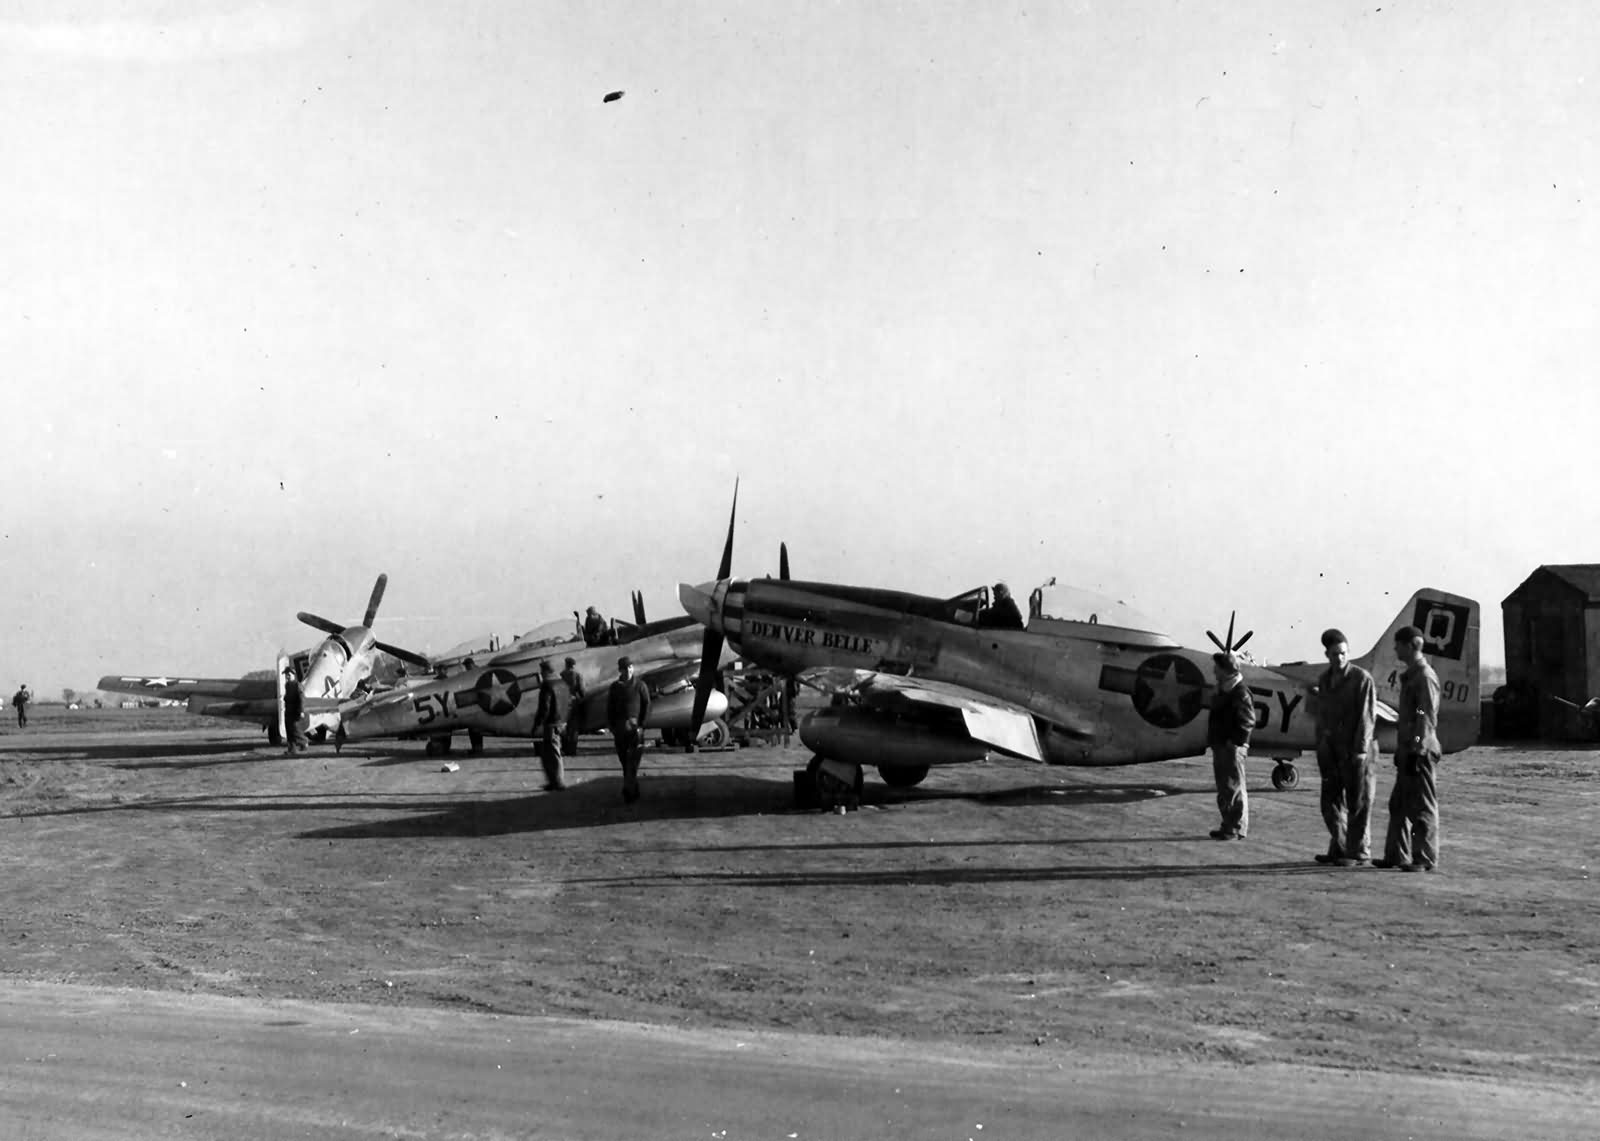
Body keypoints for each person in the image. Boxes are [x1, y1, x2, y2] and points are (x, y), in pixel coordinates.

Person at [1375, 626, 1441, 871]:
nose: (1395, 649)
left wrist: (1416, 748)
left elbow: (1424, 714)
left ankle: (1424, 859)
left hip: (1419, 752)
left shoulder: (1423, 677)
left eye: (1399, 644)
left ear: (1411, 645)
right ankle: (1396, 855)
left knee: (1422, 807)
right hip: (1409, 750)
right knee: (1399, 805)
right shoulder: (1413, 676)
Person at [1312, 628, 1378, 867]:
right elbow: (1322, 715)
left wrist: (1360, 751)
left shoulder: (1362, 679)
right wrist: (1321, 743)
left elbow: (1366, 718)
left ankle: (1359, 852)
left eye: (1343, 653)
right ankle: (1339, 847)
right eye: (1334, 654)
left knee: (1358, 802)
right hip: (1332, 750)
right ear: (1327, 654)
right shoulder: (1324, 680)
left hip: (1357, 751)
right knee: (1329, 802)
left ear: (1347, 652)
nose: (1339, 658)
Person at [1207, 651, 1254, 840]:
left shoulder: (1240, 692)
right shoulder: (1224, 690)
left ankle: (1236, 827)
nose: (1214, 671)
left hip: (1232, 747)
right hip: (1222, 745)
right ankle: (1228, 824)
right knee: (1225, 787)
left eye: (1217, 668)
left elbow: (1248, 721)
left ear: (1226, 670)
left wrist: (1234, 743)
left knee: (1233, 786)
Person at [607, 656, 652, 803]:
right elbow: (610, 709)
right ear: (619, 670)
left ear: (633, 668)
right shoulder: (614, 687)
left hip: (636, 731)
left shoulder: (640, 686)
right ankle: (633, 789)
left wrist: (641, 726)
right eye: (625, 668)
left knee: (632, 763)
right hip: (620, 731)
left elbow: (647, 706)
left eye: (630, 667)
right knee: (625, 763)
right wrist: (612, 727)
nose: (628, 670)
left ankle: (629, 793)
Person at [530, 660, 569, 792]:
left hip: (551, 723)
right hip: (562, 721)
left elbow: (544, 707)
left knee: (552, 753)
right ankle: (554, 781)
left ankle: (558, 782)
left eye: (542, 671)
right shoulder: (562, 683)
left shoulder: (547, 685)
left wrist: (537, 723)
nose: (541, 674)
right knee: (552, 752)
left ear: (546, 671)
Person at [560, 656, 586, 755]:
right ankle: (572, 749)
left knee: (563, 727)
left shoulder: (561, 675)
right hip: (574, 703)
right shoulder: (577, 675)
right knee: (573, 728)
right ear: (573, 665)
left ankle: (564, 747)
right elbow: (582, 691)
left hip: (562, 704)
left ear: (566, 664)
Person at [282, 667, 308, 755]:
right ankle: (292, 749)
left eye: (289, 675)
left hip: (295, 711)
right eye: (286, 675)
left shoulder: (297, 685)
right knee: (289, 731)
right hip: (288, 711)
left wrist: (301, 711)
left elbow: (301, 699)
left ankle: (304, 742)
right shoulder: (287, 685)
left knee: (295, 730)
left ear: (293, 675)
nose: (287, 677)